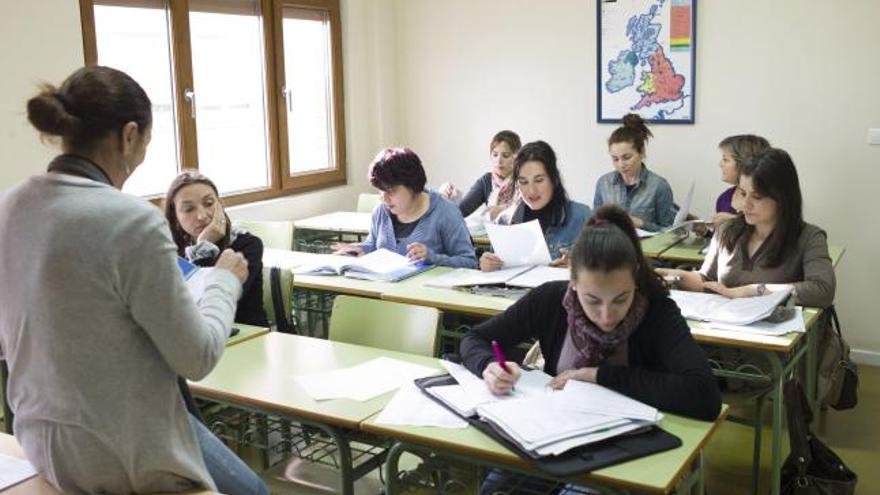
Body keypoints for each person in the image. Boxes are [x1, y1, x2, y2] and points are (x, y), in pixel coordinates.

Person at [0, 66, 268, 495]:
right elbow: (196, 357)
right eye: (145, 141)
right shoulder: (129, 220)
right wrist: (223, 282)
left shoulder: (11, 205)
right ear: (129, 136)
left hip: (44, 441)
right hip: (121, 455)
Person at [462, 205, 721, 494]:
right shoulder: (550, 300)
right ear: (573, 281)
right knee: (495, 490)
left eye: (621, 299)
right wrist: (489, 366)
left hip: (627, 449)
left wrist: (597, 376)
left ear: (635, 277)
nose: (607, 315)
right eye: (593, 300)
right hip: (553, 439)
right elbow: (475, 339)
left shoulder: (657, 312)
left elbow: (704, 395)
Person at [659, 148, 835, 308]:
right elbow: (706, 280)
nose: (746, 204)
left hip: (773, 335)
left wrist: (752, 291)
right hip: (725, 327)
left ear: (782, 198)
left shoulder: (809, 237)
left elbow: (822, 291)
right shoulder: (727, 230)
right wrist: (669, 276)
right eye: (742, 193)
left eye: (757, 197)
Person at [333, 147, 478, 268]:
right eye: (380, 191)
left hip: (426, 297)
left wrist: (433, 259)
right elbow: (374, 245)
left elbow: (470, 262)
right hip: (385, 294)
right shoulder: (381, 211)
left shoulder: (445, 213)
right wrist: (359, 249)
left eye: (390, 190)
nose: (384, 198)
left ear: (412, 185)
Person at [165, 170, 268, 327]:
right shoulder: (170, 251)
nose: (201, 216)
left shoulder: (247, 246)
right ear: (175, 217)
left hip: (247, 338)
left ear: (220, 205)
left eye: (209, 203)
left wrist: (204, 246)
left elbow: (209, 304)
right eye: (188, 209)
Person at [480, 140, 590, 271]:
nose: (531, 191)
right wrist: (487, 265)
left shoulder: (582, 216)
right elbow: (497, 274)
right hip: (516, 291)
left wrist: (580, 268)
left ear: (554, 179)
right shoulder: (504, 220)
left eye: (539, 180)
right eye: (523, 182)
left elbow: (606, 271)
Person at [593, 113, 675, 231]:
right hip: (610, 247)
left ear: (641, 152)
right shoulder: (604, 183)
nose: (621, 164)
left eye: (627, 157)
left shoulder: (659, 186)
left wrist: (641, 224)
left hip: (646, 248)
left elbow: (670, 233)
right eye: (615, 159)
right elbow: (594, 225)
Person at [439, 130, 522, 220]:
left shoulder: (525, 180)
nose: (499, 161)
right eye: (495, 155)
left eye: (505, 155)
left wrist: (505, 209)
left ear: (517, 157)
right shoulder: (486, 181)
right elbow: (460, 212)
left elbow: (529, 212)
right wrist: (448, 198)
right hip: (493, 232)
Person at [712, 134, 770, 227]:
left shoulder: (770, 196)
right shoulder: (724, 198)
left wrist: (735, 222)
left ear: (744, 163)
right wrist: (706, 231)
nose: (720, 164)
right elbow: (720, 237)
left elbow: (773, 230)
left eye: (725, 160)